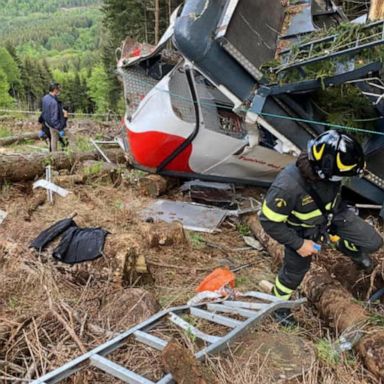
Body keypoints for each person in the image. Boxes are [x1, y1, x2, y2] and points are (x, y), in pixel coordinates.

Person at [260, 130, 383, 326]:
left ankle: (344, 246)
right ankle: (278, 306)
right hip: (301, 232)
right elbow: (268, 221)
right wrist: (299, 244)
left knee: (373, 241)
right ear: (324, 171)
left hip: (333, 215)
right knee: (294, 274)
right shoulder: (287, 187)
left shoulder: (330, 168)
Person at [41, 82, 67, 152]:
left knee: (53, 139)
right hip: (54, 125)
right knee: (65, 138)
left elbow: (45, 111)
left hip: (47, 123)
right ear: (55, 90)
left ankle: (53, 155)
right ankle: (57, 155)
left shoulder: (45, 97)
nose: (59, 91)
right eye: (58, 89)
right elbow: (54, 118)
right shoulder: (53, 102)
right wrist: (60, 128)